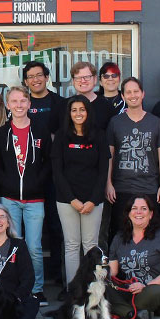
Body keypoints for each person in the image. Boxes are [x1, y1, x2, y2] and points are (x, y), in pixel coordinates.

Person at [0, 87, 49, 304]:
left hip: (35, 199)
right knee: (12, 245)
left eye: (23, 101)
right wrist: (7, 184)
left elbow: (48, 163)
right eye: (14, 101)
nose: (18, 105)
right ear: (8, 105)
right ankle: (13, 288)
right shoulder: (1, 134)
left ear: (29, 104)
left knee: (34, 246)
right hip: (10, 199)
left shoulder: (41, 131)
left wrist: (37, 183)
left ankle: (37, 289)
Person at [53, 95, 110, 289]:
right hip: (67, 200)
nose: (78, 113)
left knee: (90, 246)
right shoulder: (61, 136)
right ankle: (73, 291)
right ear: (69, 113)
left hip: (93, 200)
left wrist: (93, 200)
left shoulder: (99, 135)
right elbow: (57, 171)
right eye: (74, 110)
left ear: (88, 112)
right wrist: (72, 199)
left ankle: (92, 290)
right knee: (71, 246)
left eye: (82, 109)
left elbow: (103, 171)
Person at [107, 77, 160, 240]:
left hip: (149, 188)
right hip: (121, 188)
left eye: (136, 91)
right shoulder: (115, 122)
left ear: (143, 94)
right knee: (121, 234)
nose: (132, 95)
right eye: (128, 92)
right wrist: (108, 184)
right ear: (123, 96)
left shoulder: (155, 122)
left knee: (150, 235)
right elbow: (110, 155)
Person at [108, 194, 160, 319]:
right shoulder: (119, 238)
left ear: (151, 214)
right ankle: (133, 313)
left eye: (143, 208)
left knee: (150, 293)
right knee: (102, 287)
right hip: (133, 291)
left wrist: (145, 285)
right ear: (128, 213)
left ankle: (126, 310)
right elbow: (112, 271)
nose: (138, 212)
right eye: (134, 208)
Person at [22, 60, 63, 135]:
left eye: (39, 75)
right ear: (26, 82)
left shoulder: (60, 103)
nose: (35, 80)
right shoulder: (22, 104)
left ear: (46, 78)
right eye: (30, 77)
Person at [69, 61, 114, 129]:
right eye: (78, 78)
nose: (83, 81)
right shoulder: (64, 106)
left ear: (95, 79)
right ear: (73, 81)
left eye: (87, 77)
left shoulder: (107, 107)